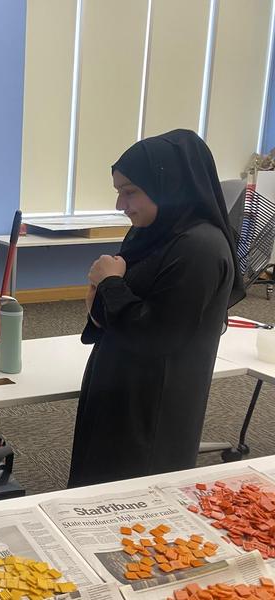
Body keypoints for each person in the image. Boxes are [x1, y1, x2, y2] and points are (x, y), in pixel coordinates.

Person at [68, 129, 246, 487]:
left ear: (169, 186)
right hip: (120, 385)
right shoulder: (151, 233)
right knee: (97, 479)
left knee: (134, 491)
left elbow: (158, 336)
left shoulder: (199, 248)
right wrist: (98, 304)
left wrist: (110, 284)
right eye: (119, 192)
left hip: (153, 404)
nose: (120, 205)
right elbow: (123, 310)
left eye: (130, 191)